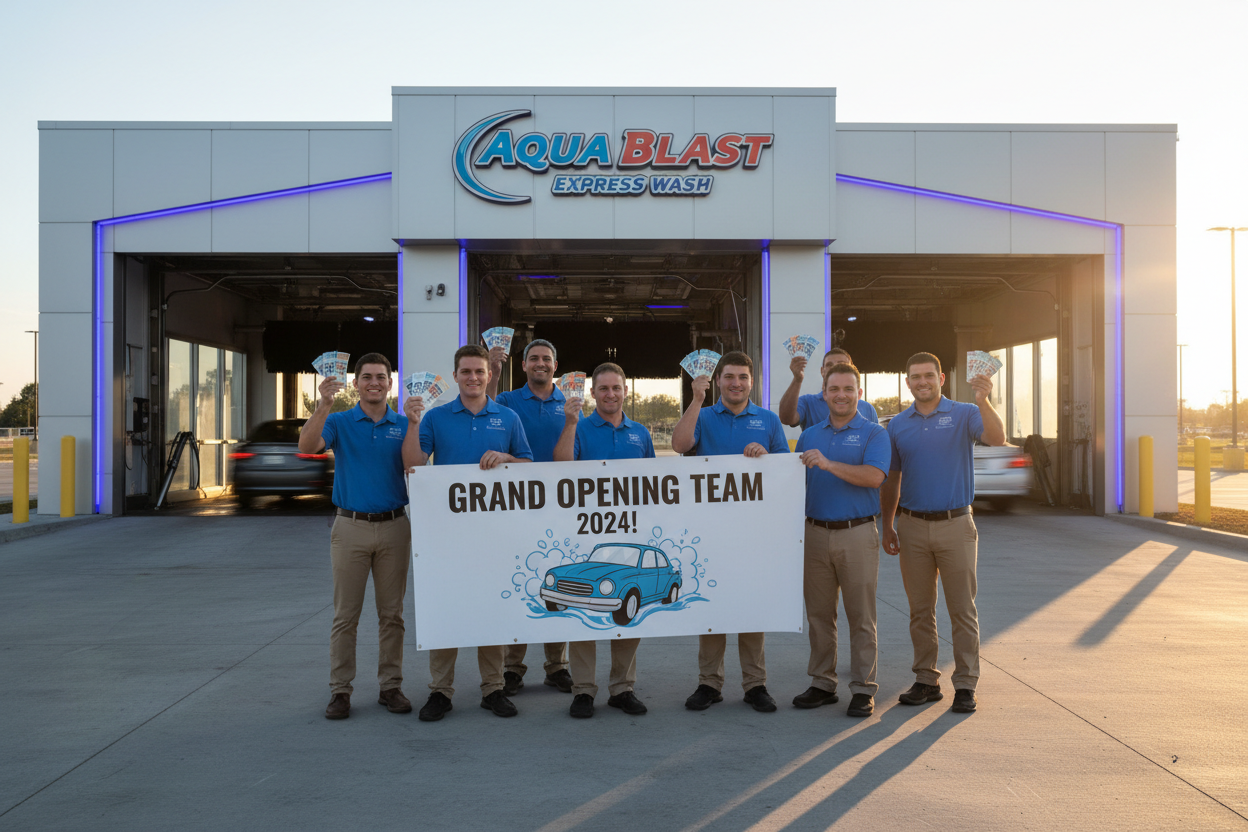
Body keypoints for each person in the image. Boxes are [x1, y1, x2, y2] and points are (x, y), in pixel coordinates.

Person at [404, 344, 534, 721]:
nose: (473, 377)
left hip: (495, 534)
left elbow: (529, 466)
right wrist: (413, 424)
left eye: (479, 371)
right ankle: (441, 691)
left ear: (489, 375)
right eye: (466, 372)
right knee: (446, 609)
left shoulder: (508, 418)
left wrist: (508, 458)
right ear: (456, 376)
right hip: (446, 535)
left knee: (490, 609)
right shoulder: (435, 418)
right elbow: (413, 468)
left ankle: (492, 689)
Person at [880, 352, 1005, 714]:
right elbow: (892, 479)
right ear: (907, 382)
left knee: (962, 609)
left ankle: (965, 683)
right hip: (913, 526)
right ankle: (925, 679)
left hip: (956, 525)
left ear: (941, 379)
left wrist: (984, 400)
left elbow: (996, 438)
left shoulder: (965, 413)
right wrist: (888, 524)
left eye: (928, 376)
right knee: (920, 610)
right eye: (915, 376)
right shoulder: (898, 425)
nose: (922, 382)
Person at [299, 352, 416, 721]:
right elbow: (306, 447)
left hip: (395, 525)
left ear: (390, 383)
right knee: (345, 616)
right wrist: (323, 405)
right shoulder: (339, 421)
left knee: (392, 615)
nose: (374, 383)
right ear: (356, 383)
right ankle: (340, 690)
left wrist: (415, 424)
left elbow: (417, 466)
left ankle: (390, 686)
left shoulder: (403, 423)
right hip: (350, 526)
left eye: (381, 377)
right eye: (367, 377)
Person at [671, 350, 790, 712]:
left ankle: (755, 684)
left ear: (752, 382)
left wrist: (766, 457)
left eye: (742, 377)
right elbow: (679, 445)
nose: (736, 383)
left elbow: (786, 470)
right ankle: (709, 683)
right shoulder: (704, 416)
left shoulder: (768, 421)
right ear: (718, 380)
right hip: (711, 532)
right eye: (729, 377)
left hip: (754, 533)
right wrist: (696, 400)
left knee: (751, 607)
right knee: (712, 606)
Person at [551, 362, 654, 719]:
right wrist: (569, 423)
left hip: (630, 534)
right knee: (584, 609)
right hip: (587, 534)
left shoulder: (640, 433)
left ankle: (622, 688)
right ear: (592, 393)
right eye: (604, 389)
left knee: (626, 610)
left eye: (616, 388)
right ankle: (583, 690)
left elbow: (654, 485)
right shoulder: (579, 428)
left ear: (626, 392)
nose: (611, 394)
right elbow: (561, 466)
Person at [793, 362, 890, 718]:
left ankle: (864, 688)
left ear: (859, 393)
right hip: (815, 533)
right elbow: (789, 478)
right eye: (834, 389)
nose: (841, 395)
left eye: (848, 389)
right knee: (819, 615)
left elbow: (875, 477)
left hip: (857, 533)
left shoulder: (873, 434)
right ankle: (822, 682)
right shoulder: (810, 434)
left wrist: (830, 464)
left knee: (861, 615)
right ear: (824, 393)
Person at [487, 338, 573, 696]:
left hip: (563, 507)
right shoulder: (507, 401)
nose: (540, 363)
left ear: (556, 365)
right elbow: (485, 407)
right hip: (517, 507)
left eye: (546, 359)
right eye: (534, 358)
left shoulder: (571, 403)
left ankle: (557, 666)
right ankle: (513, 667)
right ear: (522, 365)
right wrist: (492, 369)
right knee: (520, 582)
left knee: (559, 583)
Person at [779, 347, 878, 431]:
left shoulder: (868, 409)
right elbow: (786, 419)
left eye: (842, 364)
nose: (835, 368)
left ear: (851, 369)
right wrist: (797, 380)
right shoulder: (808, 403)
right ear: (822, 371)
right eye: (829, 365)